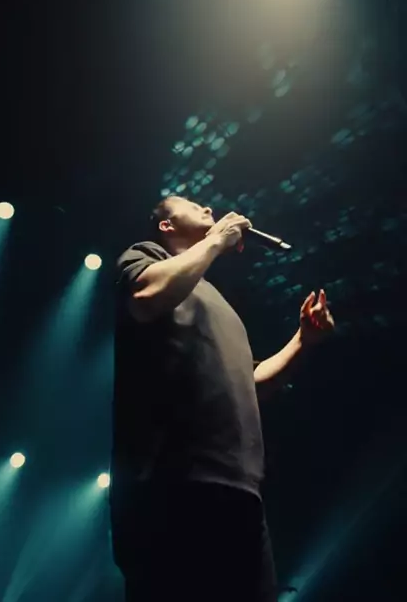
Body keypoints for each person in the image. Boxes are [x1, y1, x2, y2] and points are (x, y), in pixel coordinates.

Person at [109, 196, 334, 602]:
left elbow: (251, 383)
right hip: (173, 486)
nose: (208, 210)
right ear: (166, 225)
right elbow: (145, 296)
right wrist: (217, 239)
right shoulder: (146, 256)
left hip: (241, 490)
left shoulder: (216, 300)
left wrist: (304, 340)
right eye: (194, 205)